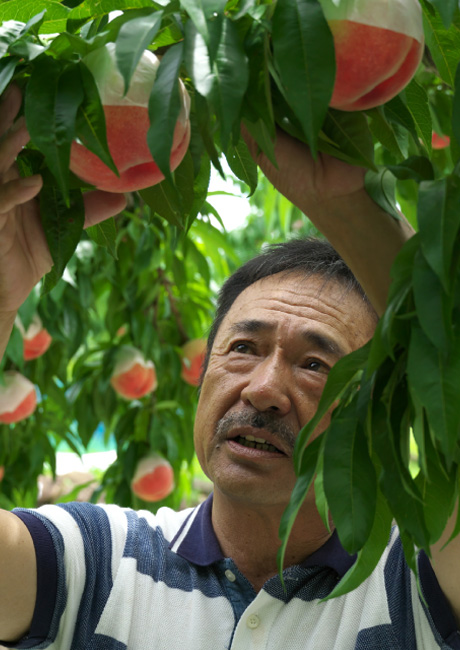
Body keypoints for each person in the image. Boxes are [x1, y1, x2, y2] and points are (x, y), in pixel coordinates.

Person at [0, 82, 458, 650]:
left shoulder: (418, 583)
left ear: (381, 404)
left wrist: (351, 211)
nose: (264, 389)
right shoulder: (97, 561)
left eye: (317, 364)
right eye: (243, 348)